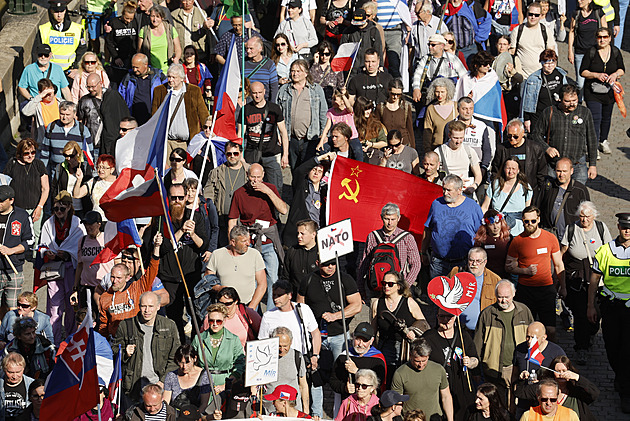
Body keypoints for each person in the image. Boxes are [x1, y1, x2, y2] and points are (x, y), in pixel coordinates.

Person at [144, 184, 208, 342]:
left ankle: (195, 348)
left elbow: (204, 246)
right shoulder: (161, 219)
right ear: (168, 199)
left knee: (196, 315)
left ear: (187, 198)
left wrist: (192, 234)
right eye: (173, 198)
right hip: (169, 277)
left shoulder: (195, 216)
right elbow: (163, 247)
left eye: (180, 197)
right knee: (174, 317)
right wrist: (180, 232)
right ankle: (179, 347)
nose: (177, 201)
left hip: (190, 276)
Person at [227, 163, 287, 309]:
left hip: (268, 240)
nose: (255, 181)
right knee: (251, 280)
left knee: (273, 277)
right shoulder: (240, 193)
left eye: (258, 177)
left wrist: (268, 192)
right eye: (252, 177)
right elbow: (232, 220)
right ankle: (252, 311)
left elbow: (283, 210)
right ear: (247, 176)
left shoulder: (270, 188)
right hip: (249, 241)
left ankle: (272, 311)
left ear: (263, 175)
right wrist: (232, 243)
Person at [587, 212, 630, 413]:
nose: (627, 230)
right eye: (624, 226)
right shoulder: (605, 251)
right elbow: (594, 280)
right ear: (618, 227)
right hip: (611, 308)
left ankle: (626, 392)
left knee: (626, 351)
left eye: (629, 227)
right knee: (612, 348)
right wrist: (590, 306)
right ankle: (620, 377)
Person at [560, 202, 611, 365]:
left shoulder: (601, 228)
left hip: (599, 279)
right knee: (581, 315)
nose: (584, 219)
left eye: (587, 216)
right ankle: (581, 347)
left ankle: (591, 334)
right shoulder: (571, 229)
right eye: (581, 216)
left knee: (597, 313)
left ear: (594, 216)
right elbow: (562, 253)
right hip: (577, 280)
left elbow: (609, 251)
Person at [506, 206, 565, 341]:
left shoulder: (550, 238)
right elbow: (509, 267)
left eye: (533, 221)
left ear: (538, 219)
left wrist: (563, 286)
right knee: (526, 330)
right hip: (525, 290)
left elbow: (558, 264)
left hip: (546, 288)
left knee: (550, 330)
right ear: (522, 221)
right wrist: (524, 271)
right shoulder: (517, 241)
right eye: (526, 221)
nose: (529, 224)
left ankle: (549, 357)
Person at [474, 280, 533, 412]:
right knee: (497, 405)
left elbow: (534, 340)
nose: (503, 300)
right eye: (500, 297)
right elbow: (477, 344)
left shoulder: (524, 311)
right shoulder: (487, 314)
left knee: (517, 405)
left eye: (507, 297)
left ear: (514, 294)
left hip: (518, 368)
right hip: (494, 369)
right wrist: (476, 370)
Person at [112, 292, 180, 404]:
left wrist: (163, 381)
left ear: (158, 307)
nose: (147, 310)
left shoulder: (169, 326)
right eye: (144, 306)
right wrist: (124, 352)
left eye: (151, 306)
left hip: (159, 386)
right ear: (139, 306)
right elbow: (114, 351)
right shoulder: (126, 325)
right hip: (133, 387)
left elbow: (175, 358)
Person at [38, 191, 84, 345]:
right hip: (54, 269)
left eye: (62, 209)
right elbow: (42, 245)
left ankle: (70, 341)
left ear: (70, 207)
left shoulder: (77, 223)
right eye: (56, 209)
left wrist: (67, 254)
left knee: (71, 306)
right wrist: (47, 252)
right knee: (54, 307)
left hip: (71, 268)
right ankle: (54, 342)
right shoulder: (48, 223)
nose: (58, 212)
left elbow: (80, 247)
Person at [530, 84, 597, 186]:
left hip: (577, 164)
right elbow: (535, 135)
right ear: (560, 99)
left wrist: (592, 165)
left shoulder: (585, 113)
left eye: (574, 100)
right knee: (552, 196)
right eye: (567, 101)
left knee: (576, 196)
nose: (572, 104)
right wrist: (547, 148)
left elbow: (591, 139)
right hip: (554, 166)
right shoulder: (549, 112)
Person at [97, 233, 161, 338]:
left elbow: (152, 269)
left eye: (119, 278)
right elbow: (103, 325)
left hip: (136, 337)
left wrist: (157, 247)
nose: (114, 281)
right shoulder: (105, 298)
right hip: (116, 340)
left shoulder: (137, 288)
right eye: (112, 277)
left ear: (127, 278)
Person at [297, 258, 362, 360]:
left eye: (333, 263)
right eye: (326, 264)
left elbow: (357, 305)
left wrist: (335, 316)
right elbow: (300, 307)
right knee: (315, 369)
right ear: (317, 263)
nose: (330, 267)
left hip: (339, 335)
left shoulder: (345, 279)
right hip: (315, 335)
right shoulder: (307, 280)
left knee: (339, 368)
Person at [421, 174, 483, 278]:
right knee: (437, 294)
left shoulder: (472, 207)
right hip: (438, 262)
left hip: (463, 263)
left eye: (449, 190)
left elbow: (481, 233)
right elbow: (428, 229)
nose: (445, 193)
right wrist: (423, 252)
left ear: (459, 190)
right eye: (444, 189)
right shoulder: (436, 204)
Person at [371, 271, 427, 384]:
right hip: (385, 346)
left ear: (399, 286)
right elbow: (373, 328)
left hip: (404, 347)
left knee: (404, 378)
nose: (386, 286)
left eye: (390, 284)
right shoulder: (377, 303)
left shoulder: (409, 302)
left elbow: (423, 322)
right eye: (384, 283)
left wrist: (412, 331)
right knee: (388, 378)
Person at [423, 308, 478, 421]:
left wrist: (470, 362)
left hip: (461, 387)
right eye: (442, 316)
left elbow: (476, 360)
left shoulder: (463, 336)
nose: (446, 320)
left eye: (450, 317)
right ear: (437, 317)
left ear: (455, 318)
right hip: (439, 388)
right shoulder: (428, 337)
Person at [238, 81, 289, 195]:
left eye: (260, 92)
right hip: (252, 152)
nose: (257, 96)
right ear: (250, 93)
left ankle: (275, 212)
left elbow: (283, 132)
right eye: (254, 93)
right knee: (251, 187)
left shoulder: (274, 108)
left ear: (265, 92)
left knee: (276, 187)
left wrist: (285, 154)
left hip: (271, 153)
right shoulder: (245, 110)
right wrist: (241, 156)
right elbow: (240, 135)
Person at [580, 26, 625, 155]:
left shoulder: (615, 52)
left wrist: (615, 74)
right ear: (596, 38)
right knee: (595, 118)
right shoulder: (591, 52)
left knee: (606, 117)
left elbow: (622, 68)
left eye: (605, 37)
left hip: (610, 92)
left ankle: (603, 140)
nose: (602, 40)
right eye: (599, 37)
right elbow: (583, 71)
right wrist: (596, 75)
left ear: (610, 38)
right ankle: (593, 147)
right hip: (592, 91)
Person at [359, 203, 422, 294]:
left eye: (393, 219)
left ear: (398, 218)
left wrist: (406, 285)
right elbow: (364, 262)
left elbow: (416, 264)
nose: (390, 223)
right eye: (386, 219)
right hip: (377, 286)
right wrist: (360, 287)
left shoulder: (407, 238)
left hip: (398, 287)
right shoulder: (373, 236)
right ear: (381, 217)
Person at [514, 356, 599, 421]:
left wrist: (578, 378)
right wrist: (522, 379)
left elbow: (594, 393)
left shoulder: (576, 390)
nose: (561, 374)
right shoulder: (545, 387)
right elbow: (520, 393)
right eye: (557, 371)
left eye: (564, 371)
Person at [277, 59, 327, 169]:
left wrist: (324, 134)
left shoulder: (316, 90)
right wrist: (278, 134)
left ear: (306, 73)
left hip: (310, 138)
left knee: (307, 169)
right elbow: (278, 114)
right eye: (293, 71)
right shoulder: (284, 90)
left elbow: (323, 113)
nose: (295, 74)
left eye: (298, 71)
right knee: (294, 170)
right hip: (291, 138)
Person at [151, 63, 209, 155]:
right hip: (166, 142)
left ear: (182, 78)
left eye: (174, 77)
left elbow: (203, 115)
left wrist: (205, 136)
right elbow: (154, 116)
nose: (170, 80)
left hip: (187, 143)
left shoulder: (194, 91)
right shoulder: (159, 91)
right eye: (169, 77)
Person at [391, 339, 454, 421]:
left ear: (428, 356)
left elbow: (446, 397)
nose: (420, 365)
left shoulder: (438, 370)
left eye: (424, 361)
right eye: (417, 361)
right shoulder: (400, 373)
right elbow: (397, 404)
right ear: (410, 356)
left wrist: (450, 419)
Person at [191, 303, 246, 398]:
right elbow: (191, 361)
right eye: (211, 321)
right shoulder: (199, 338)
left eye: (219, 321)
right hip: (203, 382)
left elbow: (240, 364)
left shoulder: (233, 340)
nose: (215, 324)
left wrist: (227, 384)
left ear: (224, 321)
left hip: (225, 383)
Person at [206, 225, 267, 309]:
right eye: (244, 241)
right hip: (224, 307)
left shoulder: (255, 255)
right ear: (233, 242)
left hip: (248, 305)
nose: (248, 244)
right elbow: (207, 281)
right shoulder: (217, 255)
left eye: (248, 240)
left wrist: (251, 308)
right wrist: (219, 288)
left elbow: (262, 284)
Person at [203, 141, 249, 247]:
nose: (232, 156)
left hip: (243, 222)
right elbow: (208, 196)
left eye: (235, 153)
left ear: (241, 153)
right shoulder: (216, 172)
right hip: (222, 221)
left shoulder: (249, 172)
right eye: (229, 154)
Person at [3, 139, 48, 246]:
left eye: (33, 152)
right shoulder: (12, 164)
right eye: (26, 153)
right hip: (17, 209)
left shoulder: (39, 164)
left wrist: (40, 207)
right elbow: (5, 187)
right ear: (20, 153)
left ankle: (34, 258)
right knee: (16, 234)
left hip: (35, 208)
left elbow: (45, 188)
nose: (30, 156)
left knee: (36, 234)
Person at [492, 119, 547, 203]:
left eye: (515, 136)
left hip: (528, 192)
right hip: (507, 193)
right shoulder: (502, 149)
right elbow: (496, 171)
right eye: (509, 136)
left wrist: (538, 195)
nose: (512, 139)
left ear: (523, 134)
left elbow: (542, 174)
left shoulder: (535, 148)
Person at [329, 323, 387, 402]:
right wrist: (344, 388)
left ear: (371, 340)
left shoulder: (378, 360)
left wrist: (357, 371)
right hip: (347, 404)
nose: (360, 344)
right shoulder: (343, 357)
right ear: (353, 337)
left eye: (365, 341)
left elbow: (378, 384)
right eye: (358, 339)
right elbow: (333, 381)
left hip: (369, 405)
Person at [77, 73, 130, 157]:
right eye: (88, 87)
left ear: (100, 83)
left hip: (111, 144)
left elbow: (124, 116)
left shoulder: (113, 97)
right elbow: (80, 121)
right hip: (93, 144)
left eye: (93, 87)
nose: (90, 89)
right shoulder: (84, 101)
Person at [449, 247, 501, 330]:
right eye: (471, 260)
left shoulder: (495, 280)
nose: (474, 264)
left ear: (485, 262)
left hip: (482, 329)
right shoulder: (456, 273)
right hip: (458, 327)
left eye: (478, 261)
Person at [538, 158, 590, 239]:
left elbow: (588, 214)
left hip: (572, 237)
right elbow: (538, 207)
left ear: (571, 171)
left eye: (565, 171)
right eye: (559, 171)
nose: (561, 175)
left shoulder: (580, 190)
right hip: (550, 235)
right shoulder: (548, 186)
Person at [521, 49, 570, 132]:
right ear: (542, 63)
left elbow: (566, 92)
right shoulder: (534, 78)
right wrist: (526, 119)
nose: (550, 65)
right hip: (538, 116)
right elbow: (527, 100)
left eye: (553, 62)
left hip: (556, 114)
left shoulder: (561, 74)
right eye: (547, 63)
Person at [40, 101, 93, 178]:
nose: (64, 117)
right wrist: (42, 172)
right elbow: (45, 152)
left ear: (74, 114)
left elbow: (89, 155)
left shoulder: (83, 130)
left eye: (68, 115)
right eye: (62, 114)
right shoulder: (52, 127)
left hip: (75, 174)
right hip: (55, 173)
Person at [262, 327, 309, 413]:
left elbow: (303, 385)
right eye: (279, 346)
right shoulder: (264, 356)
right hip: (269, 410)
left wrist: (306, 409)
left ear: (291, 342)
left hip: (293, 410)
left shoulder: (297, 356)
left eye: (285, 346)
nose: (281, 349)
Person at [411, 34, 467, 105]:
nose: (430, 47)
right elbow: (417, 75)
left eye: (433, 45)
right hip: (434, 96)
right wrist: (416, 88)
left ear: (442, 46)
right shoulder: (425, 59)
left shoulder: (452, 58)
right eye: (429, 45)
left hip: (450, 96)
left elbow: (464, 76)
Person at [482, 158, 533, 236]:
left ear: (518, 170)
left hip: (519, 232)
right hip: (498, 231)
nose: (510, 171)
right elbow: (485, 207)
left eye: (514, 169)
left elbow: (527, 212)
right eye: (508, 168)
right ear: (504, 169)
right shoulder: (494, 185)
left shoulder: (525, 188)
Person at [568, 0, 607, 99]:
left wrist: (605, 50)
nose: (579, 1)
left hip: (595, 52)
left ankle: (592, 102)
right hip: (580, 52)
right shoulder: (576, 14)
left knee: (594, 80)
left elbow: (605, 32)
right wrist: (570, 51)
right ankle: (579, 102)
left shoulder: (598, 12)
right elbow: (571, 32)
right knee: (580, 83)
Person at [445, 98, 492, 179]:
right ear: (458, 109)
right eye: (464, 109)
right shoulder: (449, 125)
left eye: (471, 108)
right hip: (455, 168)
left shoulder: (481, 126)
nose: (468, 112)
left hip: (477, 168)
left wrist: (484, 167)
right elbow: (445, 146)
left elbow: (487, 149)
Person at [33, 1, 87, 72]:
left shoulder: (77, 29)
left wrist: (75, 68)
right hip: (50, 71)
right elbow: (36, 51)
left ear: (65, 11)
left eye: (61, 11)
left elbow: (82, 50)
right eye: (56, 12)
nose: (59, 15)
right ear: (51, 11)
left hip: (70, 71)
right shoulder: (44, 29)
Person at [435, 121, 483, 200]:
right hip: (447, 194)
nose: (458, 141)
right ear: (449, 135)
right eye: (455, 138)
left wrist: (474, 186)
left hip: (465, 193)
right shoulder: (439, 151)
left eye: (461, 138)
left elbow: (478, 174)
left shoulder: (469, 151)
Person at [510, 2, 557, 79]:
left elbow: (551, 54)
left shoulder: (545, 31)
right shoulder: (517, 31)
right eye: (530, 14)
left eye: (536, 15)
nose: (533, 17)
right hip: (523, 77)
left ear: (541, 16)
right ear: (527, 14)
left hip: (541, 76)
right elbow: (511, 52)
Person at [118, 53, 168, 125]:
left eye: (137, 67)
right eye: (133, 67)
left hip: (153, 118)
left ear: (145, 65)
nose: (135, 70)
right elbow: (121, 95)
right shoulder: (128, 77)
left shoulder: (158, 77)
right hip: (134, 120)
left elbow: (167, 93)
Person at [162, 344, 210, 412]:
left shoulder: (204, 376)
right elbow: (166, 403)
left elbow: (204, 404)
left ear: (195, 359)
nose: (184, 366)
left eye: (187, 362)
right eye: (181, 363)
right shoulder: (171, 376)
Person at [49, 141, 93, 216]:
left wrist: (80, 179)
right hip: (64, 210)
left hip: (82, 210)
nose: (68, 159)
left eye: (71, 156)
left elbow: (89, 189)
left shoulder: (85, 168)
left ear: (78, 154)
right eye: (65, 155)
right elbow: (54, 189)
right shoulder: (60, 168)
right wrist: (54, 208)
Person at [73, 155, 118, 221]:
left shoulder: (118, 182)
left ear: (112, 169)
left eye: (104, 168)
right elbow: (77, 195)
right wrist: (79, 180)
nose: (100, 170)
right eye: (99, 167)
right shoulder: (93, 181)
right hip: (96, 223)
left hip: (113, 223)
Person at [138, 6, 182, 73]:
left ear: (162, 17)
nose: (155, 19)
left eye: (157, 16)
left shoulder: (170, 29)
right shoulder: (144, 31)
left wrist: (176, 58)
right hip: (151, 72)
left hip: (168, 70)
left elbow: (178, 49)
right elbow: (139, 51)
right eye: (152, 16)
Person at [374, 79, 415, 149]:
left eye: (398, 94)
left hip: (403, 145)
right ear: (388, 90)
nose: (395, 97)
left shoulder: (406, 107)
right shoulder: (380, 107)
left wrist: (413, 148)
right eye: (393, 94)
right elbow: (376, 127)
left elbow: (410, 129)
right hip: (386, 146)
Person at [282, 219, 320, 293]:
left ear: (313, 234)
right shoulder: (292, 251)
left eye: (302, 233)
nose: (299, 236)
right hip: (296, 296)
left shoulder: (321, 252)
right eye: (298, 233)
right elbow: (285, 276)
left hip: (317, 296)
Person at [105, 1, 139, 80]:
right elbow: (109, 42)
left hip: (132, 56)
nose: (129, 21)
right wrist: (116, 57)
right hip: (118, 57)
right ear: (122, 14)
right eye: (127, 18)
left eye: (131, 18)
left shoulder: (135, 22)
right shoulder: (114, 22)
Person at [473, 210, 512, 279]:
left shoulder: (508, 238)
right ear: (486, 225)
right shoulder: (482, 240)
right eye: (491, 224)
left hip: (504, 277)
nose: (495, 227)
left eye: (497, 223)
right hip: (487, 278)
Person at [21, 79, 61, 145]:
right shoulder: (37, 105)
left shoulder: (60, 103)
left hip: (59, 138)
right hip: (44, 141)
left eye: (50, 93)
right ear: (40, 93)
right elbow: (25, 112)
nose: (49, 96)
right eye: (46, 94)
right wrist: (39, 97)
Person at [493, 35, 524, 120]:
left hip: (511, 93)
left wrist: (513, 71)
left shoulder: (514, 59)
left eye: (504, 44)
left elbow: (521, 78)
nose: (502, 46)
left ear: (509, 46)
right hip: (497, 93)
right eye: (500, 44)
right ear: (496, 45)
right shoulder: (492, 59)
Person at [423, 78, 457, 153]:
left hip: (453, 148)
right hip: (436, 148)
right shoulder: (431, 108)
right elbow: (427, 131)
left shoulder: (456, 106)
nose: (440, 95)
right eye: (437, 92)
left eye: (442, 92)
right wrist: (427, 149)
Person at [0, 353, 34, 421]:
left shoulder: (31, 384)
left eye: (18, 372)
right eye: (10, 372)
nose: (14, 376)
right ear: (4, 369)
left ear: (23, 369)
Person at [244, 37, 279, 103]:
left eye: (251, 48)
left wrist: (272, 104)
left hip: (264, 102)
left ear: (260, 49)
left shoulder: (269, 64)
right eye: (247, 48)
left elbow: (274, 87)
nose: (248, 51)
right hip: (247, 103)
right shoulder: (242, 63)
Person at [309, 41, 344, 107]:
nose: (324, 56)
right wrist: (315, 63)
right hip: (316, 99)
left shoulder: (336, 67)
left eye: (327, 54)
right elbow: (311, 80)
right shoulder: (312, 65)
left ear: (331, 54)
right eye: (322, 54)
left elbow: (340, 85)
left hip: (331, 101)